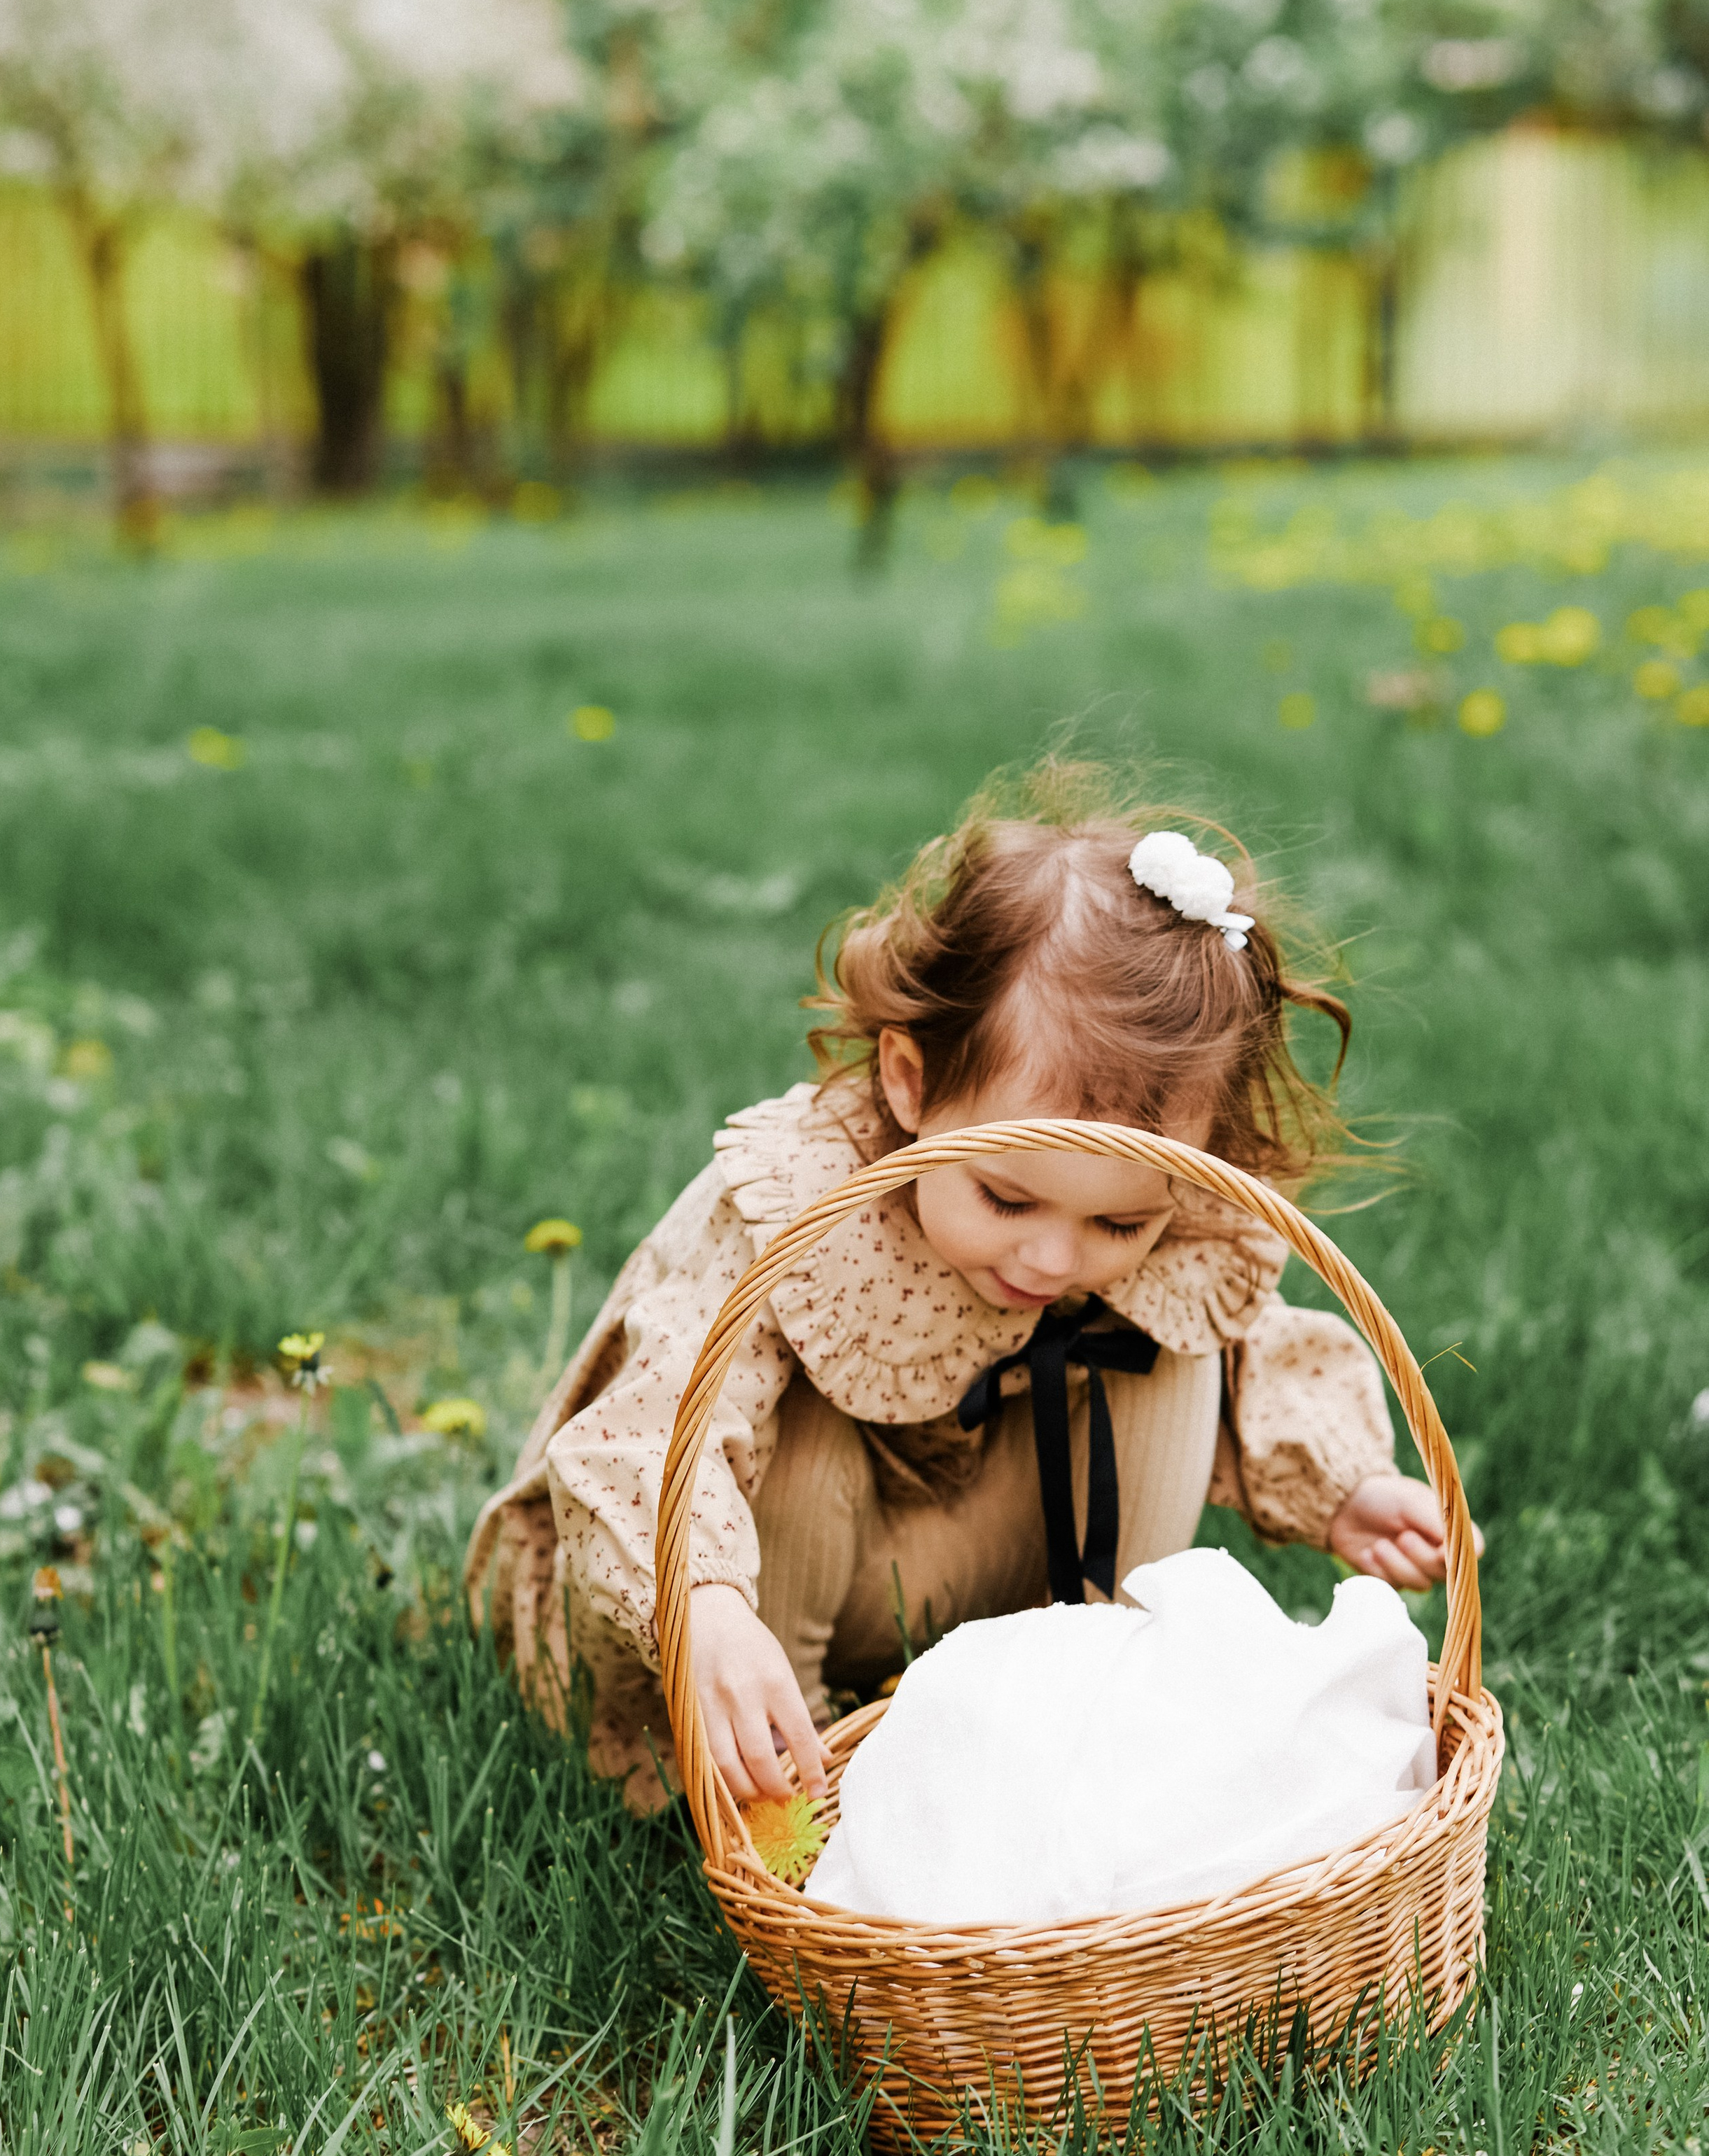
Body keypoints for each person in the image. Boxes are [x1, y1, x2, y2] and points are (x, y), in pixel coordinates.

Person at [466, 761, 1458, 1818]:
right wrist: (703, 1609)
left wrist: (1345, 1485)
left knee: (1171, 1351)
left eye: (1117, 1222)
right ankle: (785, 1792)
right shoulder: (808, 1203)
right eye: (1006, 1196)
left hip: (970, 1570)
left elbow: (1254, 1341)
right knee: (795, 1441)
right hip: (766, 1596)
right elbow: (658, 1424)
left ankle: (1091, 1707)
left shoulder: (1163, 1223)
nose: (1051, 1260)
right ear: (912, 1082)